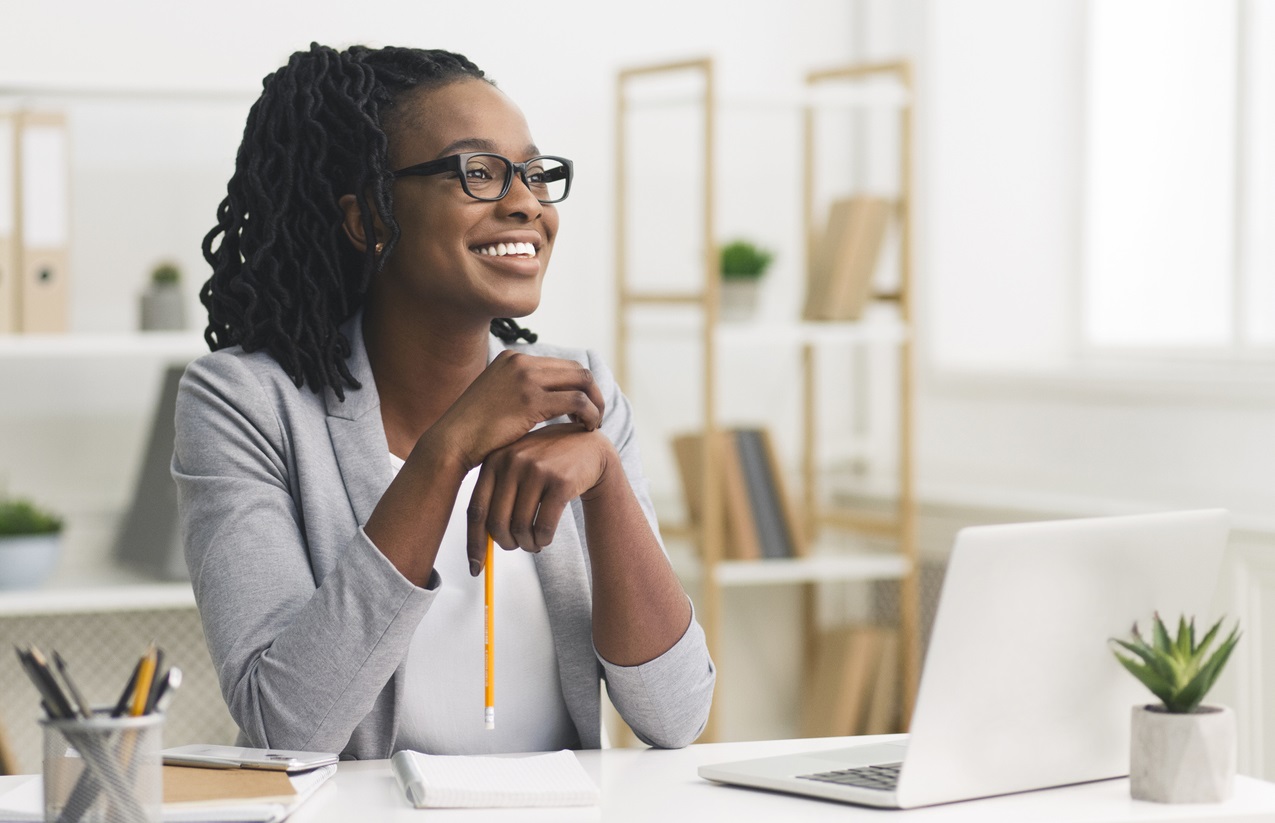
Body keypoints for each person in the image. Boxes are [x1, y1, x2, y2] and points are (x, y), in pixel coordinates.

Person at [172, 43, 714, 759]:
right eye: (478, 173)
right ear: (366, 216)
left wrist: (606, 480)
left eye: (535, 174)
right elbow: (287, 729)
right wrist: (447, 449)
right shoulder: (244, 403)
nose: (525, 202)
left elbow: (676, 716)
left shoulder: (577, 392)